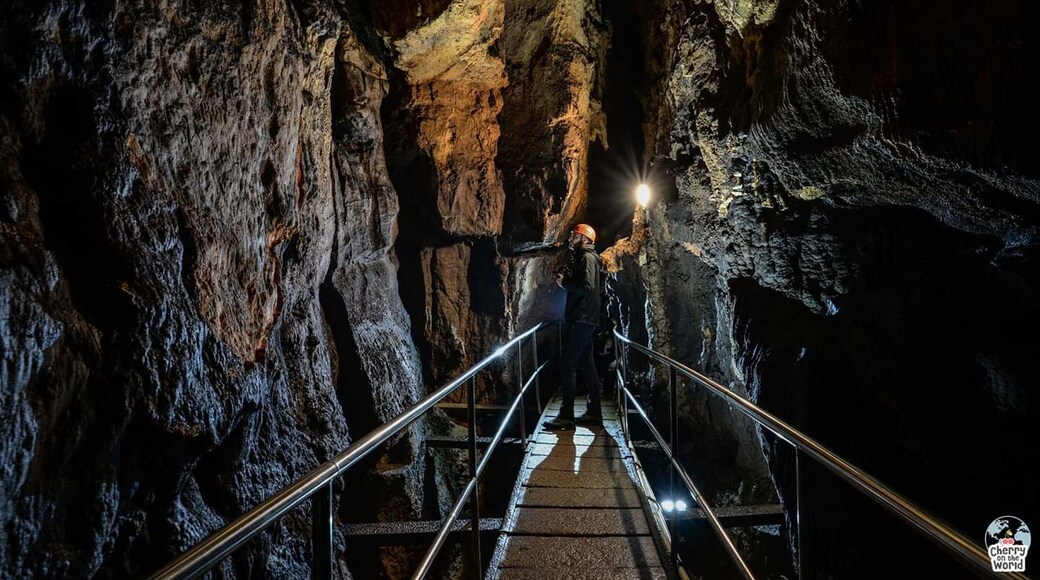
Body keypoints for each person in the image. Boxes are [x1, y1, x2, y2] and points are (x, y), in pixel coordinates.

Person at [544, 223, 605, 431]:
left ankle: (566, 416)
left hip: (582, 318)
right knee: (588, 365)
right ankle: (594, 413)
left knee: (567, 364)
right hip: (584, 318)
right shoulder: (584, 258)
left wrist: (564, 283)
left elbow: (588, 287)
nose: (571, 238)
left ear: (585, 239)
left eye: (575, 235)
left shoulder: (587, 258)